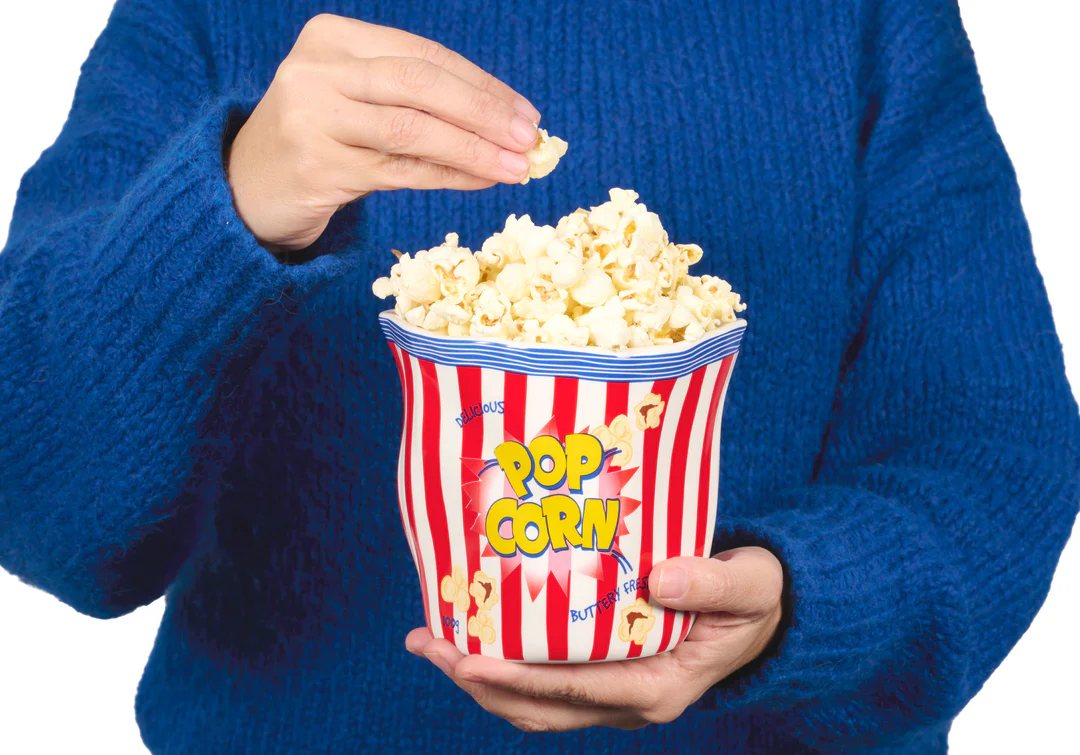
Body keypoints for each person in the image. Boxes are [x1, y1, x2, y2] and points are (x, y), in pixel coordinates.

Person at [1, 0, 1077, 752]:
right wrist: (227, 203)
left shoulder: (864, 20)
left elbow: (993, 450)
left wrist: (803, 600)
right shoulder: (209, 14)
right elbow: (47, 508)